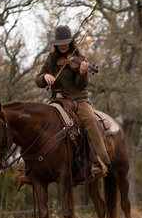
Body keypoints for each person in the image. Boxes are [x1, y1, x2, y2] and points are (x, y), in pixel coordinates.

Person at [35, 24, 110, 177]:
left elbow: (81, 85)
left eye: (65, 42)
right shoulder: (51, 59)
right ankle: (32, 167)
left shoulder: (80, 60)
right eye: (59, 43)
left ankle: (102, 161)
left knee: (90, 120)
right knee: (39, 122)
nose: (62, 45)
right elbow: (38, 80)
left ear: (71, 42)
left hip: (78, 100)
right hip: (57, 101)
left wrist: (83, 74)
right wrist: (44, 77)